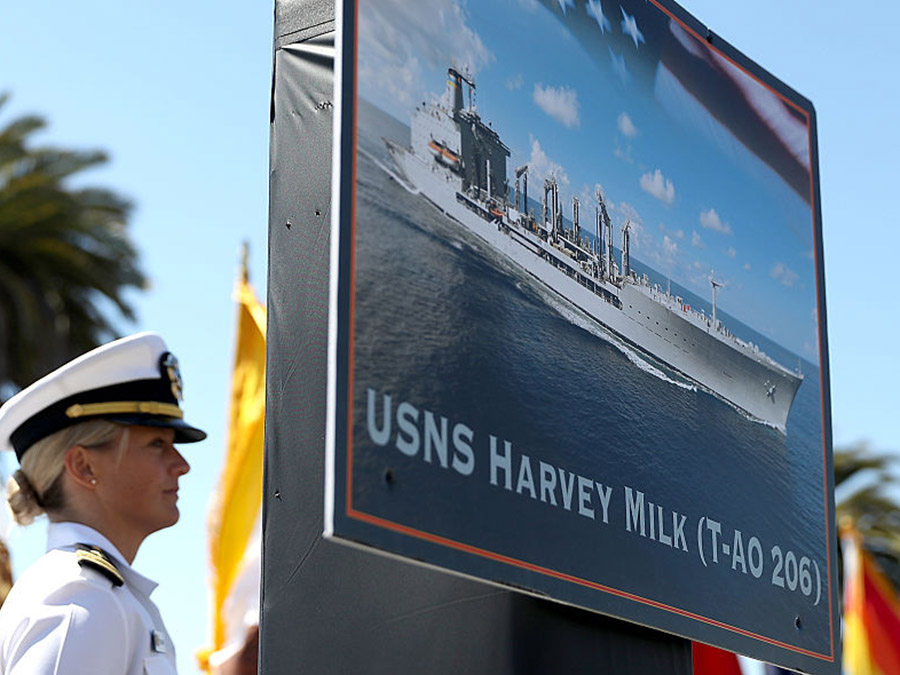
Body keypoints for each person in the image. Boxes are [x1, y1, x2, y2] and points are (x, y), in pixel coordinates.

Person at [0, 332, 206, 674]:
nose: (182, 464)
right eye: (157, 443)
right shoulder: (80, 598)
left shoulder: (98, 595)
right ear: (84, 466)